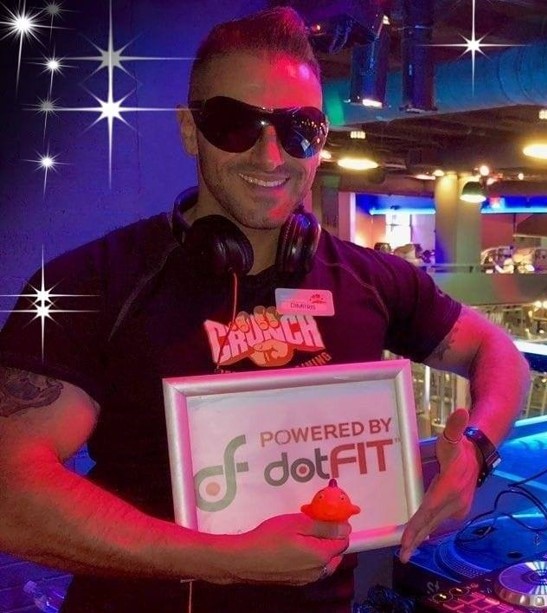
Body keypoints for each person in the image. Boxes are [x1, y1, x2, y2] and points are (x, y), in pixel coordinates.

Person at [0, 6, 530, 613]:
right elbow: (9, 492)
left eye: (299, 128)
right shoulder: (95, 283)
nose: (271, 156)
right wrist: (219, 559)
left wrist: (476, 451)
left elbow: (499, 352)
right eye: (235, 124)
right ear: (189, 129)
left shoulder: (372, 280)